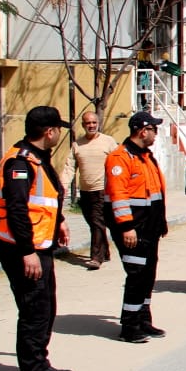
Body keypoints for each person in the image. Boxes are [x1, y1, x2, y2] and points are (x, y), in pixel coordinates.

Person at [0, 106, 72, 371]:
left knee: (46, 306)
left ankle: (41, 361)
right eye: (57, 129)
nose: (59, 133)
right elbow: (17, 210)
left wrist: (59, 221)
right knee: (34, 311)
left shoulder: (37, 158)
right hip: (22, 249)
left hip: (40, 244)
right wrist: (27, 252)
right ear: (49, 132)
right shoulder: (20, 164)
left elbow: (45, 198)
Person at [105, 111, 168, 343]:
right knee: (137, 275)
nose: (156, 133)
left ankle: (143, 319)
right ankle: (129, 327)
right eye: (154, 129)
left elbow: (154, 192)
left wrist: (160, 223)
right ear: (143, 131)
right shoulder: (119, 158)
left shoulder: (145, 156)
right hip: (133, 229)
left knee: (148, 274)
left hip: (149, 228)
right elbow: (118, 195)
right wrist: (126, 227)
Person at [61, 110, 118, 269]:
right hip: (85, 192)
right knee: (93, 223)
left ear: (98, 123)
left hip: (102, 190)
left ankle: (96, 257)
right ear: (83, 125)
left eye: (94, 122)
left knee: (97, 222)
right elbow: (69, 168)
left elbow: (119, 163)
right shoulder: (77, 145)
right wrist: (63, 186)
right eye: (88, 123)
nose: (91, 125)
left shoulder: (108, 142)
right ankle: (105, 251)